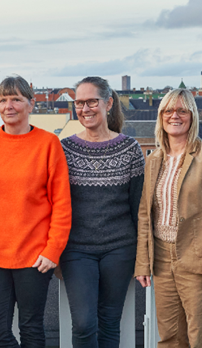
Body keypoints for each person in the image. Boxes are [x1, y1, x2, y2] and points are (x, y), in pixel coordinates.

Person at [0, 75, 72, 348]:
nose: (8, 106)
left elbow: (61, 204)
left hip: (35, 256)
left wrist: (52, 250)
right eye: (2, 100)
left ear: (31, 104)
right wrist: (0, 219)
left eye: (16, 99)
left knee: (31, 327)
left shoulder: (48, 144)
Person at [135, 88, 202, 347]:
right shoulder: (154, 160)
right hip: (162, 260)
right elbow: (145, 214)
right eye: (168, 110)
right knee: (169, 337)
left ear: (192, 115)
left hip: (199, 257)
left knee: (199, 337)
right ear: (160, 116)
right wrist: (143, 262)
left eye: (181, 110)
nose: (174, 115)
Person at [59, 76, 144, 348]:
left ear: (108, 103)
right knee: (84, 324)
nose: (85, 109)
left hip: (119, 249)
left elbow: (138, 207)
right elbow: (56, 204)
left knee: (109, 322)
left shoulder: (130, 149)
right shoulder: (64, 149)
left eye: (91, 101)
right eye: (79, 103)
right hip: (77, 249)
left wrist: (142, 255)